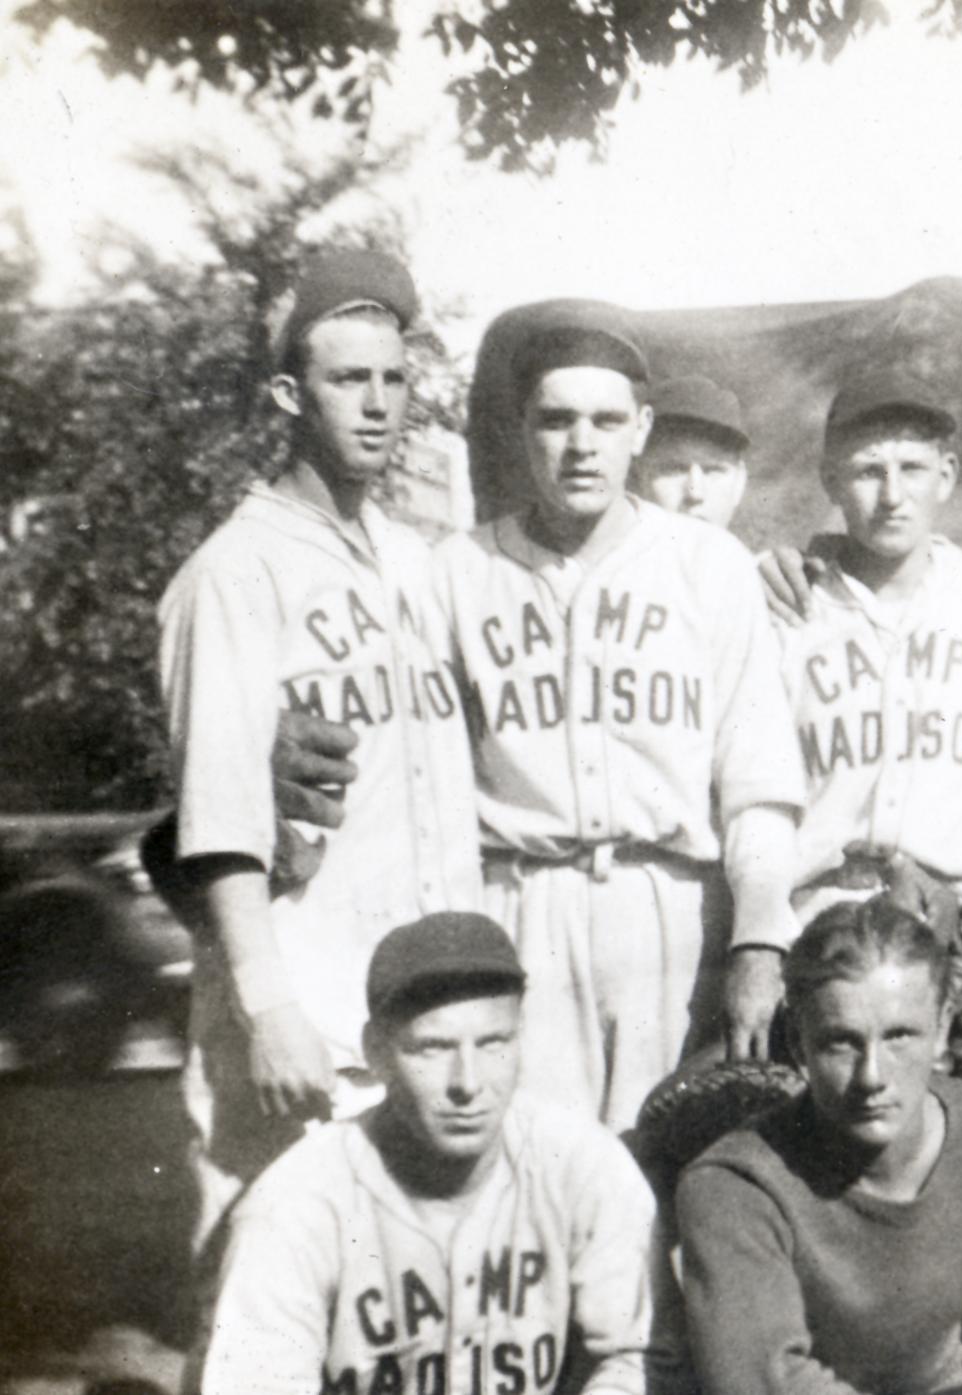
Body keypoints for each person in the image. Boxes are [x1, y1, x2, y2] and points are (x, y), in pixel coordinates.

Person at [157, 248, 483, 1256]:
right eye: (349, 380)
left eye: (393, 378)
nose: (378, 405)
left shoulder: (415, 560)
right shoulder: (235, 571)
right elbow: (218, 818)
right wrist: (267, 1006)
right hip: (302, 1011)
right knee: (265, 1301)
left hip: (415, 1011)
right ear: (290, 394)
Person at [431, 301, 806, 1129]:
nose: (580, 443)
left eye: (605, 420)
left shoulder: (708, 565)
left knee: (668, 1164)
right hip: (520, 900)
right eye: (555, 420)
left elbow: (757, 776)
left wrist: (757, 939)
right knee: (533, 1159)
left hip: (665, 901)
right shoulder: (456, 571)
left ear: (640, 430)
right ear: (522, 428)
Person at [727, 370, 962, 1162]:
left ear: (947, 475)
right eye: (866, 471)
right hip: (825, 921)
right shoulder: (783, 608)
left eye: (910, 468)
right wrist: (760, 938)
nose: (890, 494)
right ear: (831, 479)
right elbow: (759, 800)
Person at [198, 911, 657, 1395]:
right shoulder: (297, 1203)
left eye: (492, 1043)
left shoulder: (582, 1166)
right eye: (432, 1049)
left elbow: (638, 1356)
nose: (468, 1083)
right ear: (376, 1053)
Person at [676, 897, 962, 1395]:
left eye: (900, 1036)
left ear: (943, 1028)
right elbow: (770, 1381)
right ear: (798, 1043)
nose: (872, 1077)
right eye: (841, 1041)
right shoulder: (736, 1186)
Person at [635, 375, 751, 530]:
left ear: (739, 483)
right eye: (675, 469)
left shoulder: (748, 555)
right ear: (637, 479)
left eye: (712, 471)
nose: (695, 493)